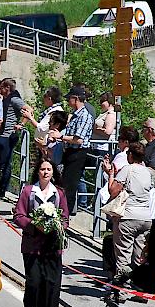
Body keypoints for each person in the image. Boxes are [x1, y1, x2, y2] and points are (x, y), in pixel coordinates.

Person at [14, 158, 69, 307]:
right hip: (32, 245)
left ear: (53, 172)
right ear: (38, 171)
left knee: (49, 285)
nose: (45, 172)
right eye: (42, 169)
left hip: (52, 246)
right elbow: (18, 215)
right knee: (34, 282)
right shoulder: (29, 191)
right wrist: (33, 224)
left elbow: (65, 218)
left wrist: (57, 225)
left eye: (49, 169)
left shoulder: (59, 193)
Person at [102, 142, 154, 307]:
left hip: (128, 217)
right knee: (139, 257)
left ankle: (121, 292)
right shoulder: (149, 173)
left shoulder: (128, 169)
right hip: (146, 217)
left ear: (131, 155)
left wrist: (110, 174)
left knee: (123, 256)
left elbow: (112, 190)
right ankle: (140, 289)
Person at [48, 85, 94, 214]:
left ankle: (64, 217)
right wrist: (58, 138)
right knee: (63, 184)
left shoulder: (84, 116)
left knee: (69, 187)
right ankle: (61, 214)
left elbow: (79, 139)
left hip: (78, 154)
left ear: (76, 98)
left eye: (70, 98)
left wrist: (61, 136)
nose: (68, 101)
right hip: (69, 152)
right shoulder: (74, 115)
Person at [0, 78, 26, 199]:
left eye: (2, 87)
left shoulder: (14, 99)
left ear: (7, 88)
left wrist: (21, 124)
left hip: (7, 135)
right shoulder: (5, 99)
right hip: (1, 134)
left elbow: (28, 110)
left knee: (5, 164)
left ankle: (2, 189)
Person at [92, 91, 117, 156]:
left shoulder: (111, 114)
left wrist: (93, 129)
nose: (100, 104)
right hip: (97, 146)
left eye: (102, 101)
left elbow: (108, 132)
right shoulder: (104, 113)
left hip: (103, 148)